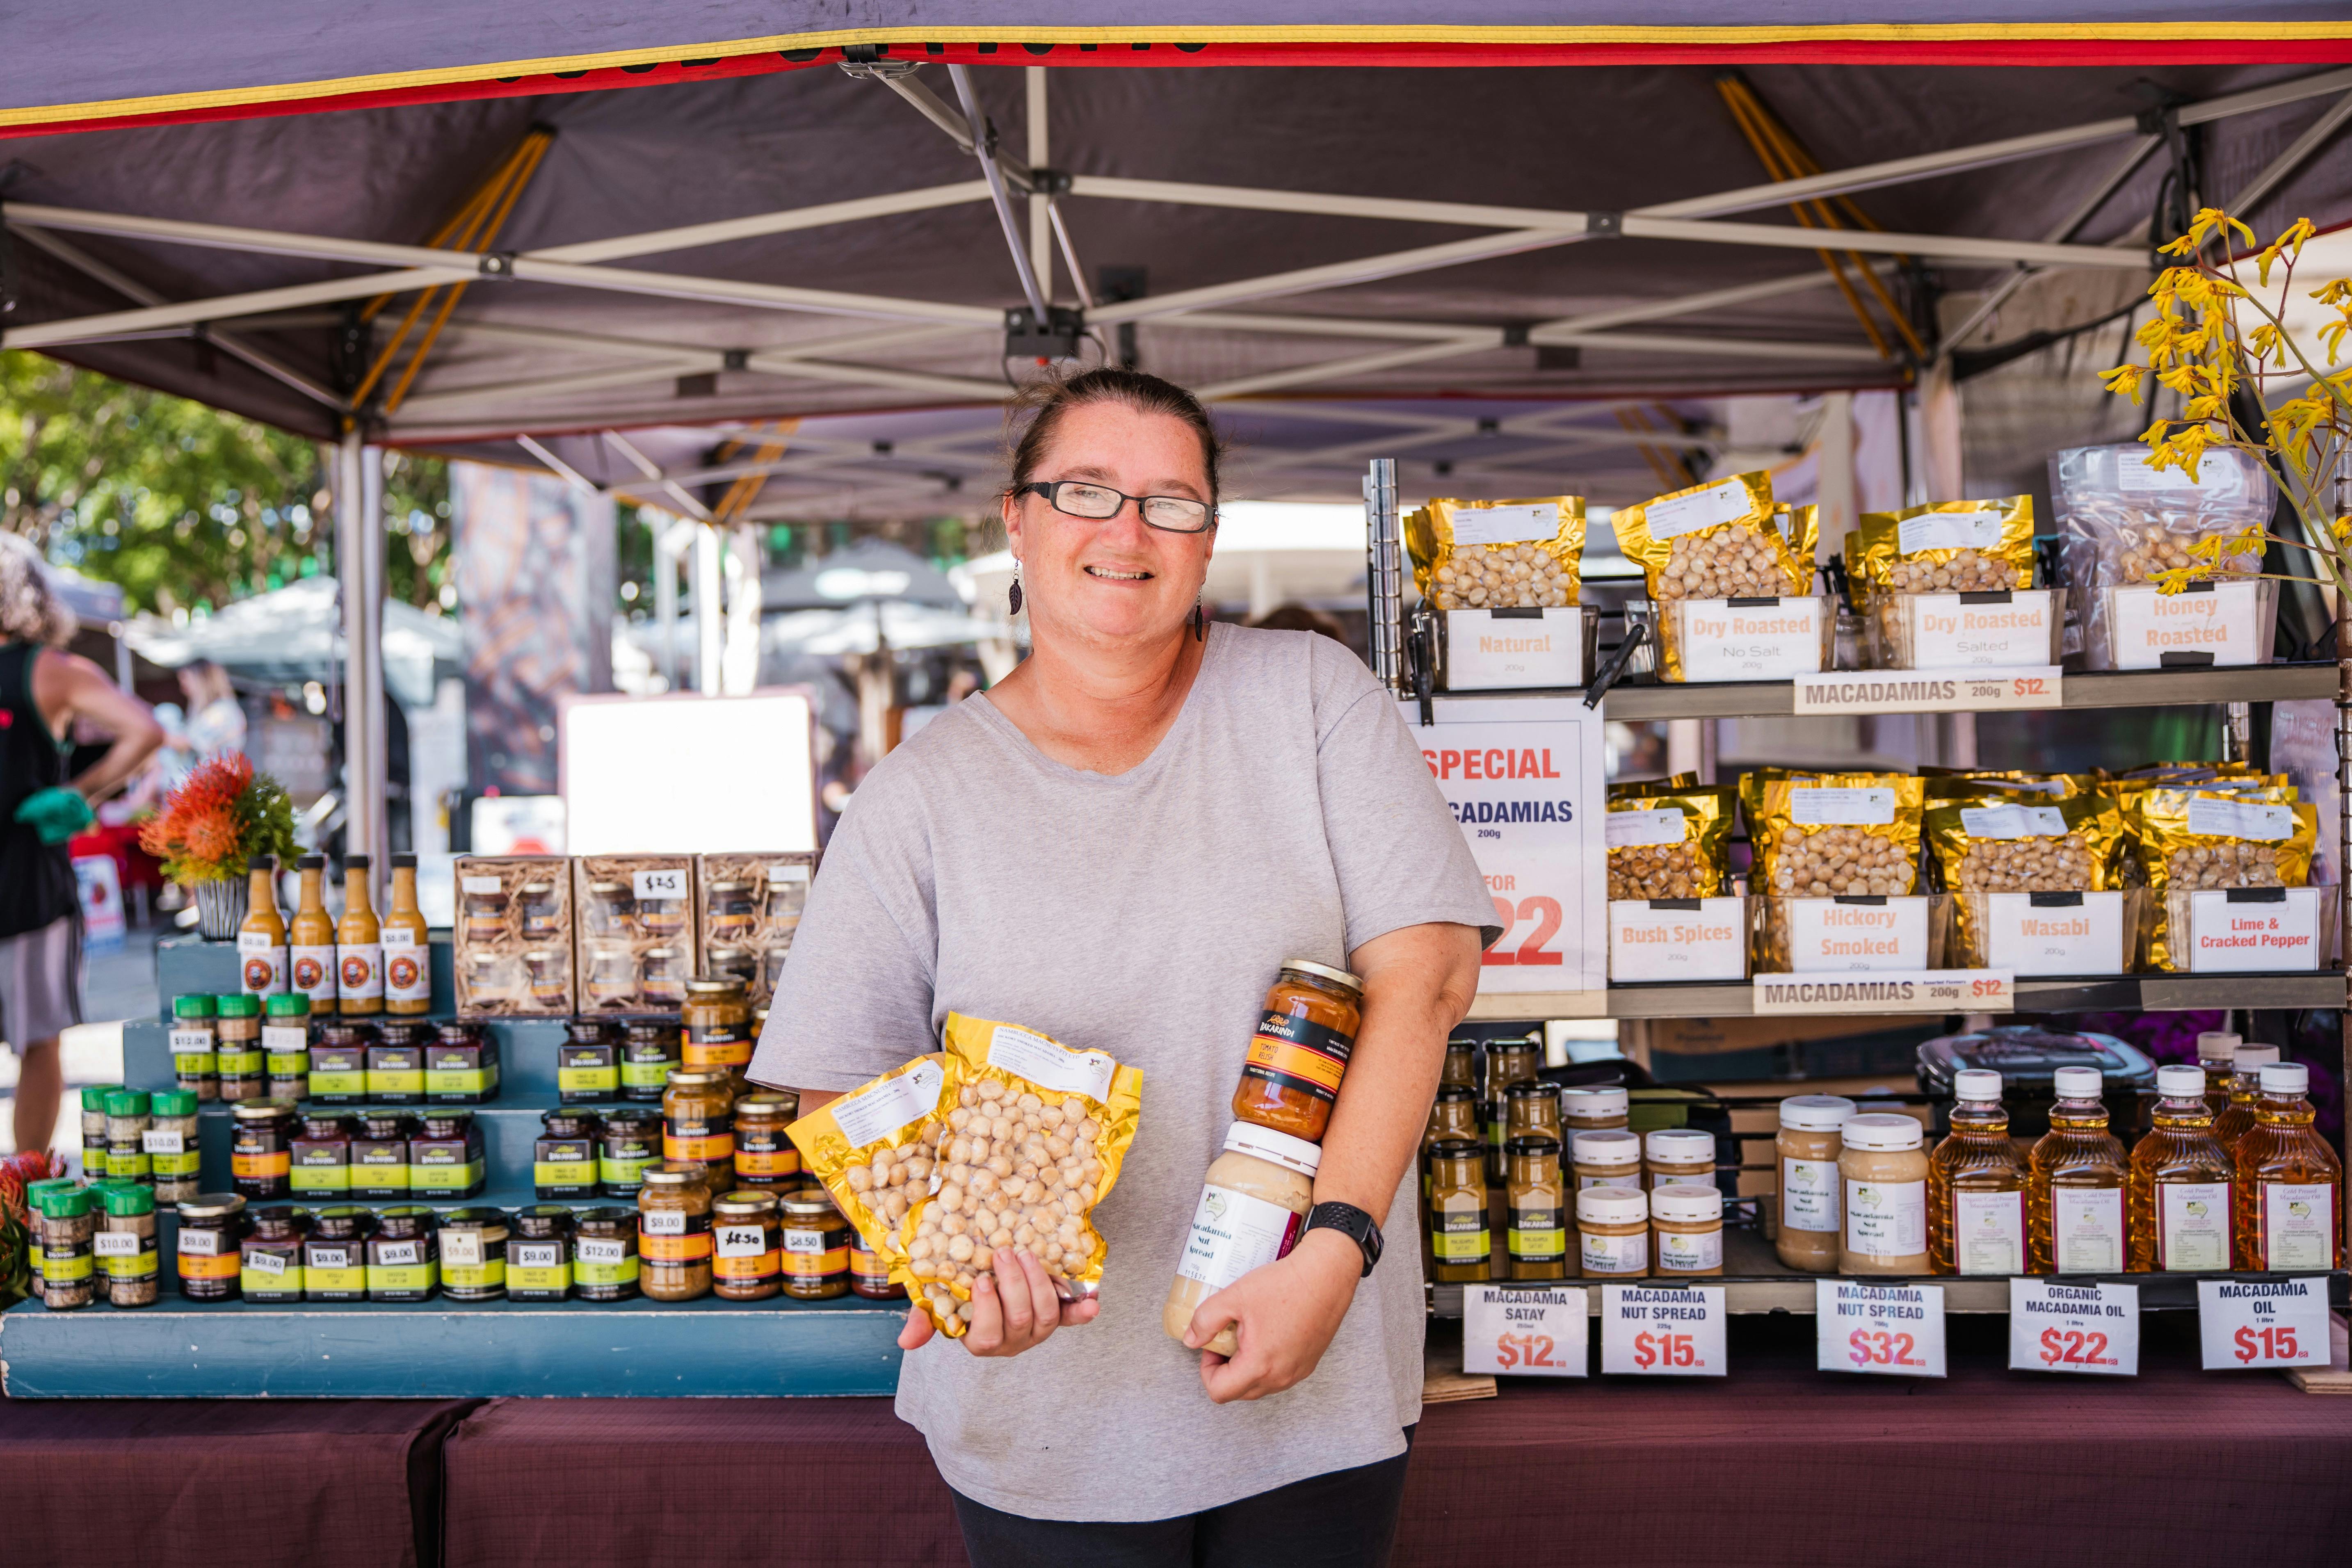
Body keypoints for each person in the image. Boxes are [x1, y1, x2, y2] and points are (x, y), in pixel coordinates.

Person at [749, 369, 1493, 1565]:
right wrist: (948, 1266)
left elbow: (1430, 979)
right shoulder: (918, 796)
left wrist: (1337, 1250)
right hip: (1043, 1413)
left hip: (1312, 1372)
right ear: (1018, 517)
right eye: (1087, 490)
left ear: (1209, 534)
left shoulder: (1312, 699)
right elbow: (839, 1086)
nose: (1127, 531)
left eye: (1171, 501)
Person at [0, 534, 164, 1158]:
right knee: (38, 1041)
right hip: (31, 885)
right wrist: (82, 792)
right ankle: (24, 1193)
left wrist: (77, 794)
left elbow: (145, 731)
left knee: (39, 1039)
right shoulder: (50, 670)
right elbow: (143, 729)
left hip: (32, 886)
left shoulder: (45, 668)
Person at [174, 658, 248, 762]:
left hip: (219, 775)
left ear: (202, 680)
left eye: (186, 680)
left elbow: (189, 742)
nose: (183, 688)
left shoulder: (221, 711)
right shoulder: (216, 709)